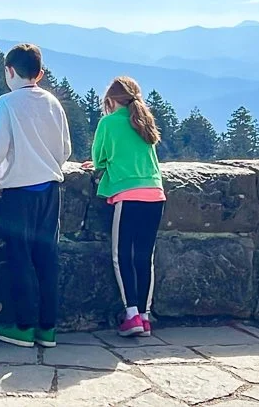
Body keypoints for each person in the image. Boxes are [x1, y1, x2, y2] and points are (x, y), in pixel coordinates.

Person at [0, 44, 71, 348]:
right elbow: (65, 150)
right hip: (50, 190)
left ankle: (23, 326)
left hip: (19, 193)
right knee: (47, 258)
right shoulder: (52, 103)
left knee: (19, 257)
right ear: (40, 73)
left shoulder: (7, 104)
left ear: (9, 71)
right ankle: (48, 328)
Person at [82, 76, 166, 338]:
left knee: (122, 256)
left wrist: (97, 166)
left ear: (110, 100)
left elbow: (99, 158)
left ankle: (131, 315)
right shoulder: (144, 122)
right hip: (155, 193)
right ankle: (145, 315)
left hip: (128, 195)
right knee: (144, 257)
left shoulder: (108, 123)